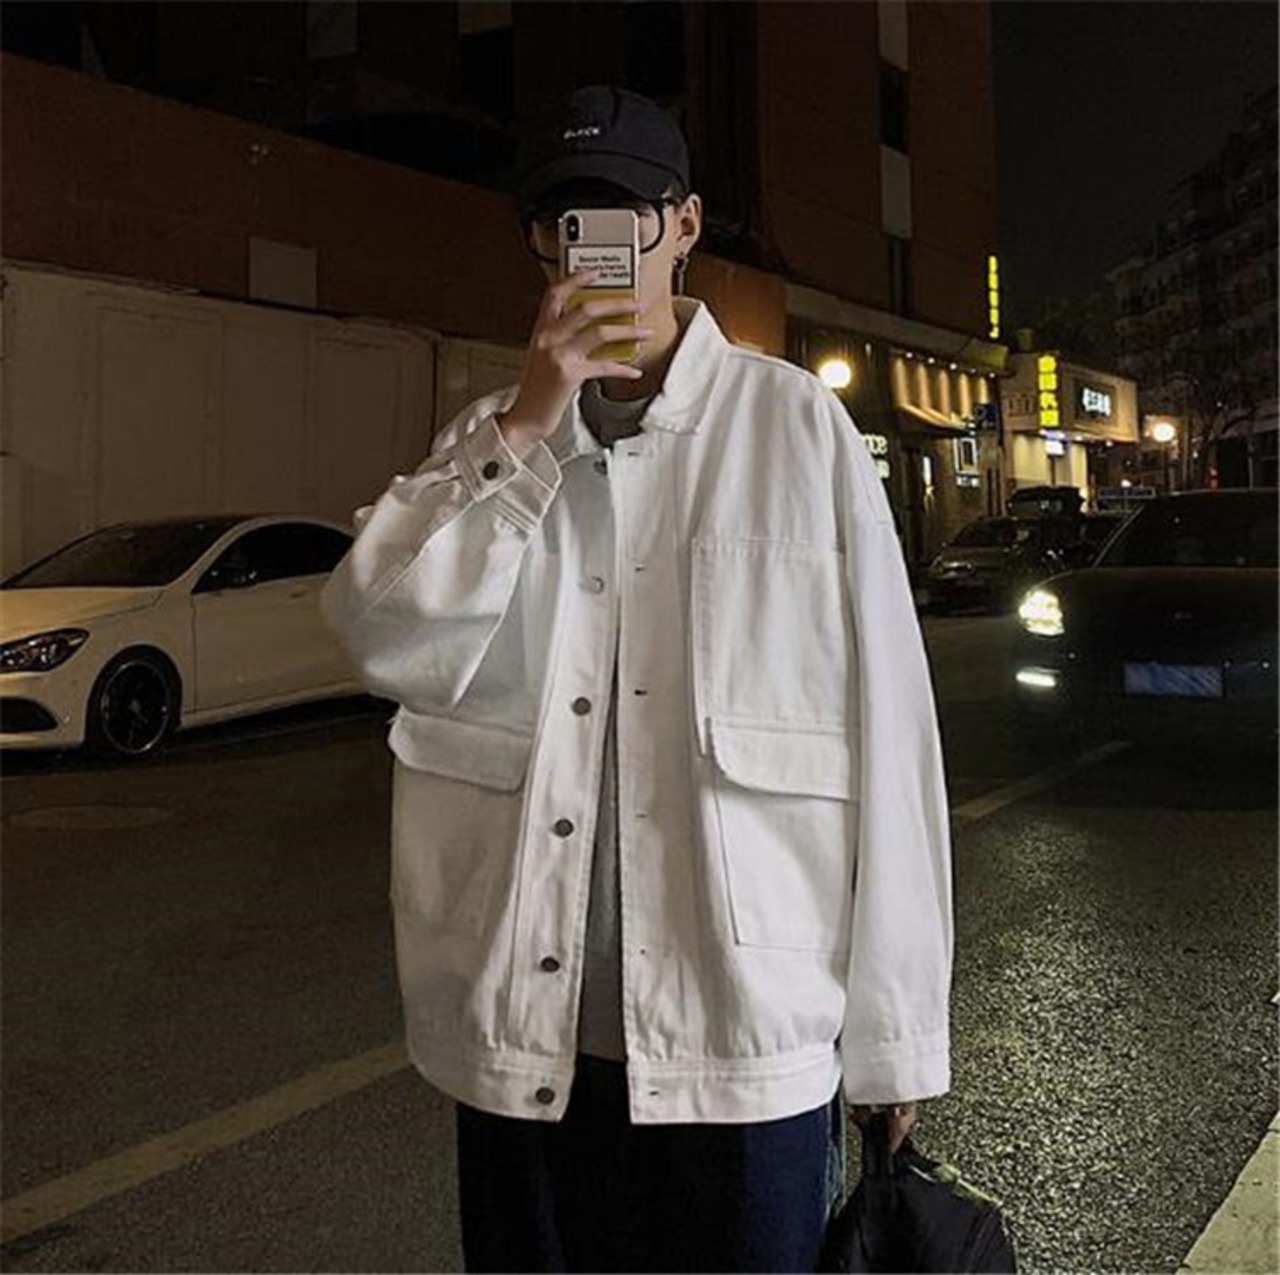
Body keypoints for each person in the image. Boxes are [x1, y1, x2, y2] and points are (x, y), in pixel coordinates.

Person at [321, 85, 953, 1274]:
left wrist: (896, 1037)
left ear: (684, 226)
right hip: (527, 1038)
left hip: (744, 1039)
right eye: (563, 222)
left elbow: (891, 729)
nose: (592, 247)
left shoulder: (792, 426)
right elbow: (376, 634)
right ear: (538, 245)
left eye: (623, 212)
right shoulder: (492, 436)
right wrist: (527, 427)